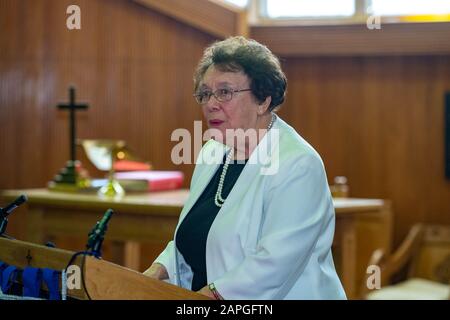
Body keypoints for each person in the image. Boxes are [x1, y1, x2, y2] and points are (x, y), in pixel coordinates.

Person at [143, 36, 346, 300]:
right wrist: (156, 271)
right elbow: (195, 236)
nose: (211, 103)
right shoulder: (212, 151)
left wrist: (202, 299)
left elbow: (273, 265)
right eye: (205, 94)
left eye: (225, 92)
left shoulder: (298, 163)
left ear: (263, 101)